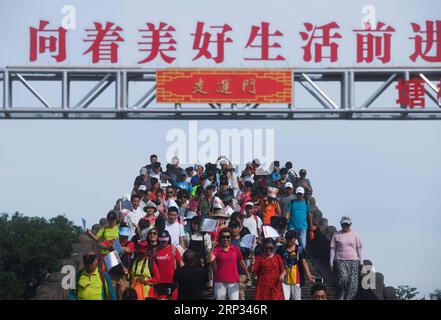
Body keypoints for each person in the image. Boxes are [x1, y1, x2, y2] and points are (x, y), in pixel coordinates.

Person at [207, 228, 250, 300]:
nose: (225, 239)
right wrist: (212, 247)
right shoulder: (217, 249)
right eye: (223, 237)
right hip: (219, 281)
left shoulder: (236, 249)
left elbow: (241, 262)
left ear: (231, 238)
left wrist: (247, 273)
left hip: (233, 281)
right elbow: (210, 259)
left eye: (228, 237)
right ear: (220, 238)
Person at [330, 216, 363, 300]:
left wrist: (361, 261)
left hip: (354, 260)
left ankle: (348, 298)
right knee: (343, 278)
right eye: (343, 225)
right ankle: (342, 292)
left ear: (350, 225)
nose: (345, 226)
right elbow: (333, 249)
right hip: (340, 259)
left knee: (353, 283)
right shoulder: (336, 235)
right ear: (341, 224)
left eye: (347, 225)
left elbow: (359, 248)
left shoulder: (355, 235)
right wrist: (331, 262)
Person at [277, 230, 315, 300]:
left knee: (296, 298)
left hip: (296, 276)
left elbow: (304, 262)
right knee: (284, 297)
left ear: (295, 239)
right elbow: (276, 261)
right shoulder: (281, 249)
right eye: (287, 238)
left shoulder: (299, 249)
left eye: (291, 239)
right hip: (284, 276)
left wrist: (309, 274)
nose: (289, 241)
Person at [155, 230, 184, 300]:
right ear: (159, 239)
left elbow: (181, 264)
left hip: (171, 281)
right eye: (162, 240)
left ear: (168, 239)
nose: (163, 242)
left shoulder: (173, 249)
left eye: (165, 240)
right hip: (159, 281)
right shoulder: (155, 250)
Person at [108, 226, 134, 300]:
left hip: (124, 273)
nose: (124, 238)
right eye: (122, 236)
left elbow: (128, 250)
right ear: (119, 235)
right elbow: (102, 244)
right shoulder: (114, 242)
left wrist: (116, 247)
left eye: (126, 236)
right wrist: (108, 247)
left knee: (122, 293)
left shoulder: (130, 243)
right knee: (112, 293)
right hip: (113, 272)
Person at [184, 216, 212, 284]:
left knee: (202, 280)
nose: (196, 226)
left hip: (202, 261)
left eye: (197, 224)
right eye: (194, 224)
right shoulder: (188, 235)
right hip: (190, 261)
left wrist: (206, 261)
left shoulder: (205, 235)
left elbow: (208, 248)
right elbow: (186, 247)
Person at [229, 220, 252, 300]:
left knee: (241, 294)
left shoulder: (244, 240)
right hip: (229, 271)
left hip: (241, 271)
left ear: (240, 228)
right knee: (230, 295)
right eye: (232, 227)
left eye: (236, 227)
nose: (234, 230)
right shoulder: (227, 240)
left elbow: (248, 254)